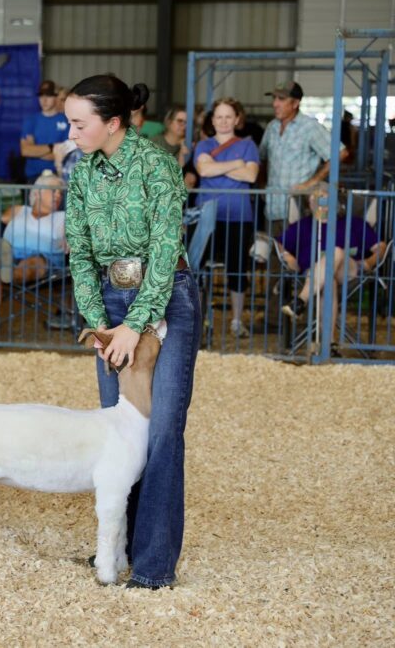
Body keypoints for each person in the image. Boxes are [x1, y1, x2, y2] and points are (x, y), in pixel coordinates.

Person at [64, 74, 199, 590]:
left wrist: (135, 325)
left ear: (113, 122)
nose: (72, 132)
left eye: (80, 123)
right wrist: (99, 322)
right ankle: (115, 551)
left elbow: (164, 251)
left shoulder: (158, 165)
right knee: (120, 432)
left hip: (167, 298)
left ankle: (153, 566)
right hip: (109, 298)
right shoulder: (81, 172)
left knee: (161, 431)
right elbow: (79, 253)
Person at [277, 186, 386, 338]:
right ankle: (329, 343)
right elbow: (279, 244)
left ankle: (301, 299)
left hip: (348, 271)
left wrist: (369, 262)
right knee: (329, 282)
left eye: (323, 199)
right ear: (309, 204)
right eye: (313, 200)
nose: (317, 203)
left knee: (335, 251)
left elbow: (381, 247)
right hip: (312, 273)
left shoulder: (354, 223)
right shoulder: (302, 225)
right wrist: (288, 256)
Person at [194, 98, 260, 338]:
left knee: (237, 268)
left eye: (228, 116)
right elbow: (203, 170)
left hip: (238, 216)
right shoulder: (203, 144)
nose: (223, 121)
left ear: (237, 119)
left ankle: (236, 320)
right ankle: (198, 319)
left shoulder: (248, 145)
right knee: (198, 268)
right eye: (219, 117)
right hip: (206, 215)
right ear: (212, 121)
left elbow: (251, 176)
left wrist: (217, 166)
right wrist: (236, 165)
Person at [0, 174, 67, 341]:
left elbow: (71, 235)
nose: (58, 195)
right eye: (53, 191)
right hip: (12, 252)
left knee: (31, 263)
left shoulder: (63, 217)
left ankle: (9, 273)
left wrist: (70, 238)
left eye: (60, 193)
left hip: (44, 257)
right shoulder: (19, 210)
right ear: (37, 192)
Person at [258, 81, 342, 238]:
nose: (275, 104)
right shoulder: (272, 127)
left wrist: (311, 182)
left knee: (296, 250)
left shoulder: (309, 127)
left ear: (295, 103)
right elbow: (262, 158)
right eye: (274, 98)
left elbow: (339, 153)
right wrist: (262, 184)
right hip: (272, 208)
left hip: (298, 209)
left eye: (281, 99)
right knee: (273, 250)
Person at [20, 80, 71, 182]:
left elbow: (65, 154)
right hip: (33, 176)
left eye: (49, 95)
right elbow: (25, 151)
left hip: (58, 175)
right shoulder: (31, 120)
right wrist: (52, 147)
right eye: (41, 95)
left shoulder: (66, 121)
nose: (44, 100)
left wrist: (36, 151)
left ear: (56, 97)